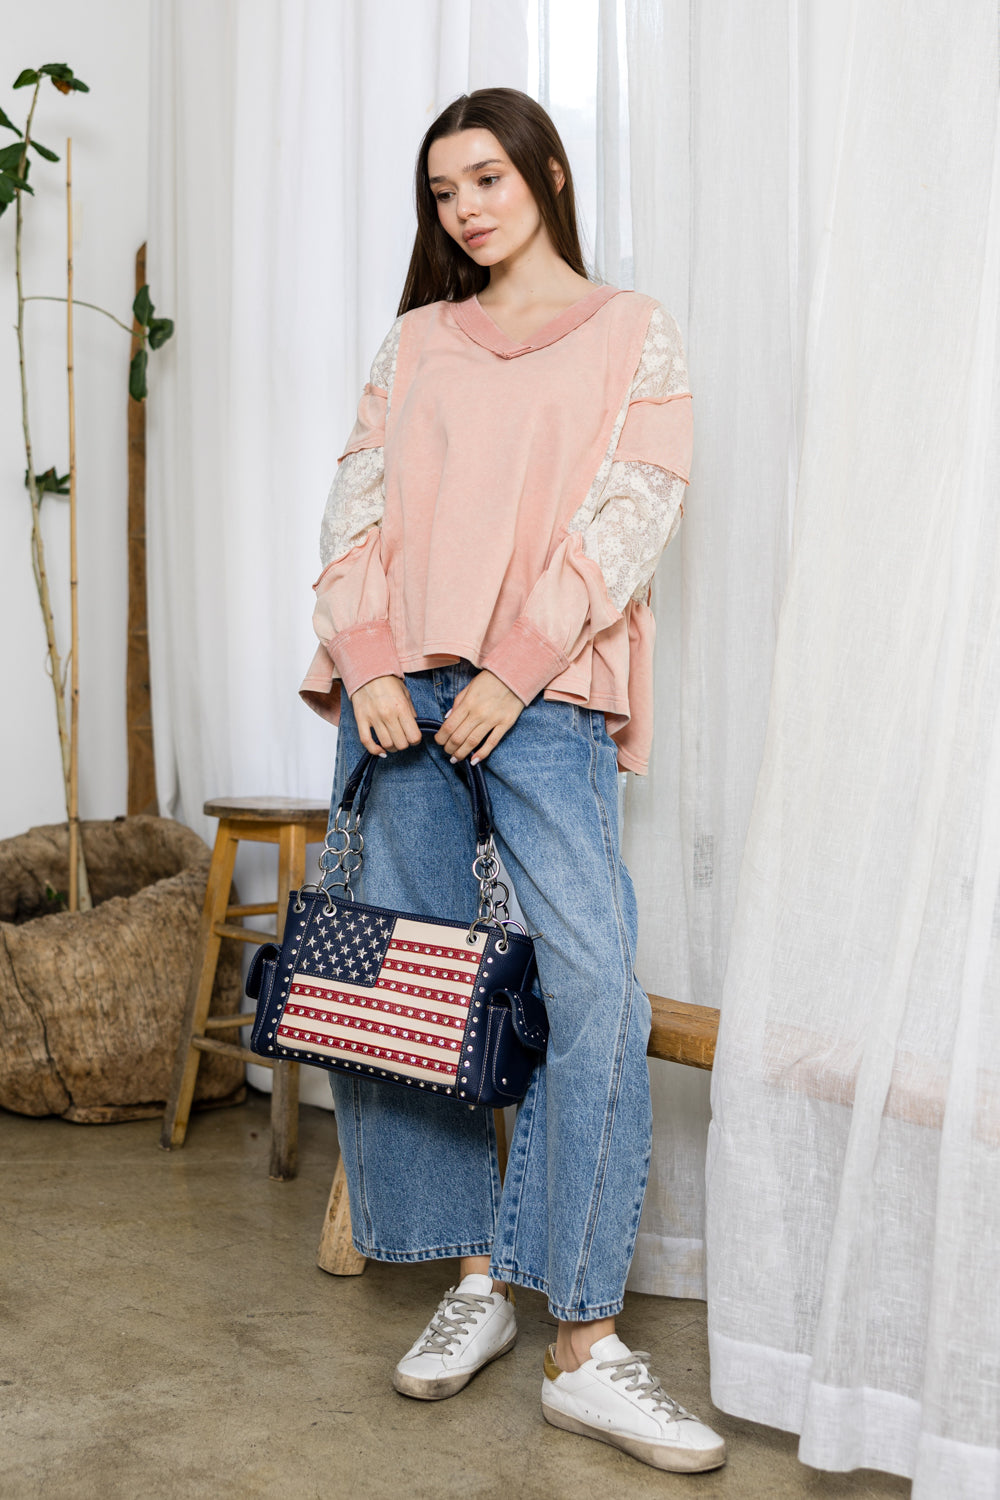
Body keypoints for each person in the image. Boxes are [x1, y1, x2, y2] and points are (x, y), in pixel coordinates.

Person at [300, 86, 724, 1475]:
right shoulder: (417, 340)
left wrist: (516, 668)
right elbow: (354, 509)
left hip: (542, 696)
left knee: (592, 981)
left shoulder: (631, 331)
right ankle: (476, 1276)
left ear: (546, 174)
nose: (466, 207)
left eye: (487, 177)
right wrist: (368, 660)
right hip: (397, 698)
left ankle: (583, 1340)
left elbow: (636, 511)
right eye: (444, 190)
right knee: (412, 987)